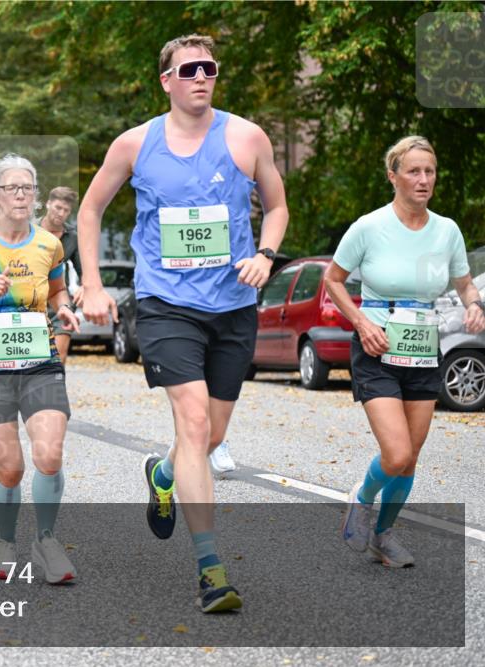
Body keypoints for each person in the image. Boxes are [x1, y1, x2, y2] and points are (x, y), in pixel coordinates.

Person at [77, 34, 289, 612]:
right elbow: (90, 209)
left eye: (209, 68)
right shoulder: (134, 143)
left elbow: (276, 206)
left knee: (210, 436)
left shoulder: (247, 137)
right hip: (166, 304)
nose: (200, 77)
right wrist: (92, 283)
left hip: (233, 306)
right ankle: (211, 569)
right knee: (194, 424)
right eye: (189, 69)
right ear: (166, 80)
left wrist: (266, 255)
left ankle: (164, 473)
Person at [329, 136, 484, 567]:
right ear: (393, 176)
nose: (423, 179)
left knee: (410, 458)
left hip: (423, 349)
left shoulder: (447, 231)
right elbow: (333, 280)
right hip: (377, 345)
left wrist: (474, 304)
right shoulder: (369, 227)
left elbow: (464, 283)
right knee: (395, 453)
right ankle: (362, 499)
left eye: (429, 171)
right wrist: (361, 322)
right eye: (413, 171)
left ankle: (383, 536)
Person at [0, 154, 81, 585]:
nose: (22, 194)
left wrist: (65, 308)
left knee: (49, 454)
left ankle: (46, 541)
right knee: (9, 469)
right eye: (13, 187)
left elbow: (58, 291)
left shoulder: (48, 244)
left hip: (41, 363)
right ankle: (5, 542)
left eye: (28, 187)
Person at [39, 187, 82, 365]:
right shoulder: (28, 229)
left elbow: (84, 272)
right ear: (48, 204)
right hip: (31, 302)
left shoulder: (72, 237)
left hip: (60, 302)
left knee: (57, 358)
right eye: (58, 207)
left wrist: (85, 287)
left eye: (66, 210)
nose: (61, 213)